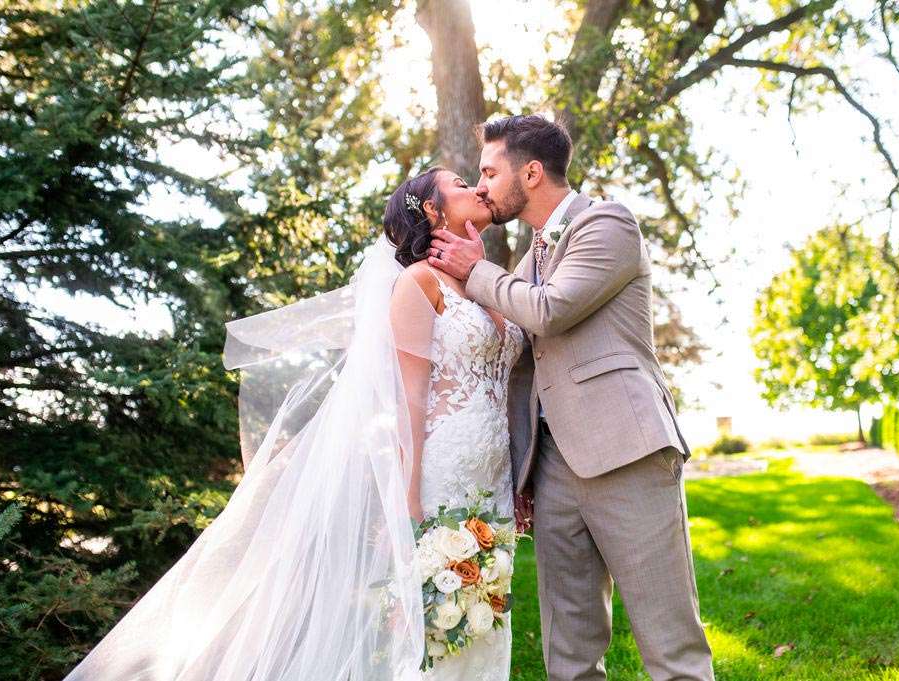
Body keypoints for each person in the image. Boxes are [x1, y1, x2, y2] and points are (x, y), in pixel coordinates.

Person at [61, 167, 522, 681]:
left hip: (493, 480)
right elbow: (408, 400)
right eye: (460, 184)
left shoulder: (488, 281)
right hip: (441, 477)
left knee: (487, 626)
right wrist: (408, 504)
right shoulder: (418, 283)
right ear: (433, 211)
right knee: (444, 636)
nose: (477, 188)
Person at [428, 114, 715, 681]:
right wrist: (525, 472)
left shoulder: (607, 223)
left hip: (627, 452)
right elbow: (522, 369)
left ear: (531, 173)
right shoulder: (529, 258)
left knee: (670, 646)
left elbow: (551, 310)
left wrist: (476, 270)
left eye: (489, 172)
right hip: (555, 470)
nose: (480, 186)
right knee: (570, 654)